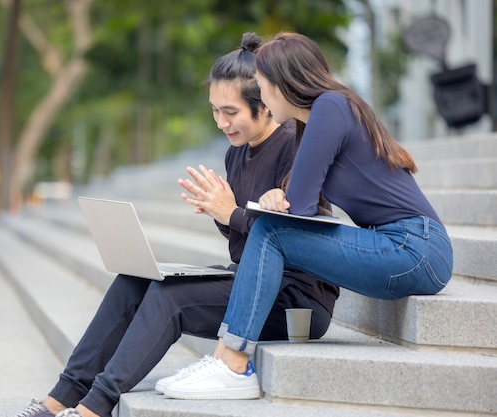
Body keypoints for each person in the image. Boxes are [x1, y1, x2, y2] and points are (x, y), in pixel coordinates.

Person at [11, 32, 339, 417]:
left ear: (265, 105)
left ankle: (93, 408)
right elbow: (244, 238)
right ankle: (59, 398)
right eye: (214, 111)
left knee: (172, 298)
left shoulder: (295, 146)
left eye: (230, 112)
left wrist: (230, 212)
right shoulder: (238, 154)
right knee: (135, 280)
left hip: (295, 300)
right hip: (250, 282)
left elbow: (295, 237)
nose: (221, 123)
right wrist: (223, 214)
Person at [163, 32, 454, 401]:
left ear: (283, 85)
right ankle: (226, 358)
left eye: (263, 87)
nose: (262, 100)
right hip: (398, 246)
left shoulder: (331, 107)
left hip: (416, 248)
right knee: (272, 228)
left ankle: (232, 361)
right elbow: (294, 203)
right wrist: (276, 197)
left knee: (270, 232)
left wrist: (272, 203)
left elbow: (297, 210)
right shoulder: (317, 120)